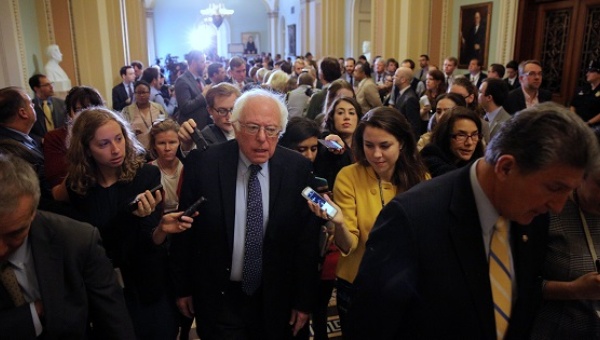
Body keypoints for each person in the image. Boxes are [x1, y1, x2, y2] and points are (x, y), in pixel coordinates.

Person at [348, 102, 600, 339]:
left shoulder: (533, 215)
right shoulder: (412, 218)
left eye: (568, 191)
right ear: (506, 168)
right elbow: (370, 327)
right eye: (554, 188)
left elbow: (519, 303)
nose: (558, 207)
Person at [170, 89, 321, 339]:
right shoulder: (205, 164)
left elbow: (305, 243)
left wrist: (304, 301)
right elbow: (185, 231)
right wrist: (182, 287)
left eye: (271, 130)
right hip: (219, 298)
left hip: (276, 297)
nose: (262, 138)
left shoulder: (298, 168)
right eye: (252, 128)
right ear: (236, 127)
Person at [53, 107, 178, 339]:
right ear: (86, 150)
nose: (115, 149)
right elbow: (95, 243)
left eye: (119, 138)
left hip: (147, 282)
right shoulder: (79, 187)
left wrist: (159, 228)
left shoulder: (145, 175)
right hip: (105, 289)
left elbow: (148, 240)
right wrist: (127, 215)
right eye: (103, 144)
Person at [307, 107, 428, 336]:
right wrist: (340, 223)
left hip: (405, 283)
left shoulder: (419, 178)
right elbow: (349, 245)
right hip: (357, 283)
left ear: (401, 143)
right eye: (368, 145)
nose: (376, 155)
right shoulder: (350, 176)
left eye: (385, 146)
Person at [0, 154, 135, 338]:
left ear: (33, 212)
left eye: (14, 234)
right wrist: (34, 313)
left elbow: (115, 324)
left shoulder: (76, 240)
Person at [530, 132, 600, 338]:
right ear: (580, 177)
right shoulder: (546, 211)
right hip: (556, 329)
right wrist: (574, 290)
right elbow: (520, 286)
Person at [279, 116, 339, 340]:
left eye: (314, 148)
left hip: (309, 264)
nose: (309, 155)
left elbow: (331, 214)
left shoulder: (315, 182)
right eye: (301, 149)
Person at [43, 85, 104, 188]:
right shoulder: (55, 138)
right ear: (69, 113)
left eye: (91, 109)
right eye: (79, 110)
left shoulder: (108, 133)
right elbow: (57, 180)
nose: (85, 115)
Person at [420, 107, 485, 177]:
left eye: (474, 135)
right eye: (461, 135)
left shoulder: (476, 160)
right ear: (445, 135)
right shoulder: (431, 158)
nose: (469, 142)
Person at [314, 96, 362, 190]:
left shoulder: (362, 144)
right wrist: (336, 147)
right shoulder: (326, 138)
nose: (347, 117)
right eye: (340, 113)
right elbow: (327, 143)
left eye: (351, 113)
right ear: (332, 117)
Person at [122, 81, 167, 151]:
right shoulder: (127, 111)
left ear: (149, 93)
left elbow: (166, 125)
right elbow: (123, 130)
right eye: (138, 93)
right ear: (135, 94)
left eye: (144, 92)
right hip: (137, 148)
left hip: (157, 148)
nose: (141, 95)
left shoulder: (158, 108)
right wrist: (132, 132)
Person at [174, 50, 210, 128]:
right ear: (194, 63)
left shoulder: (201, 79)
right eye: (202, 62)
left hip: (204, 125)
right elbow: (185, 107)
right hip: (191, 127)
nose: (205, 65)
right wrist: (203, 95)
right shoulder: (182, 80)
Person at [28, 74, 67, 144]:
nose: (51, 87)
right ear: (36, 88)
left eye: (51, 84)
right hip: (40, 147)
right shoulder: (29, 107)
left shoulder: (63, 104)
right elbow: (28, 131)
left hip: (62, 145)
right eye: (46, 85)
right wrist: (41, 140)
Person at [570, 59, 600, 129]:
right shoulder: (583, 89)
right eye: (587, 71)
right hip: (577, 123)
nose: (587, 74)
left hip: (593, 125)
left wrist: (588, 123)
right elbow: (573, 105)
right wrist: (574, 119)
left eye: (591, 71)